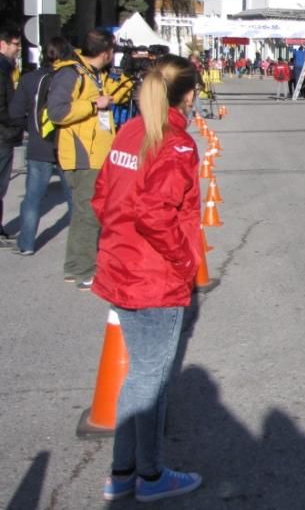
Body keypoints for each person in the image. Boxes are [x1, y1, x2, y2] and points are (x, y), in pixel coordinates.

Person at [91, 55, 202, 503]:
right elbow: (156, 215)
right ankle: (150, 475)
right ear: (189, 94)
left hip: (122, 264)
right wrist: (182, 262)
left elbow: (102, 197)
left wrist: (119, 242)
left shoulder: (130, 131)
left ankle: (123, 471)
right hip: (152, 275)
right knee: (150, 380)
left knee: (139, 375)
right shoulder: (173, 143)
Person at [47, 29, 133, 288]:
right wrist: (95, 105)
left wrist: (131, 77)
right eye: (113, 51)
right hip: (82, 154)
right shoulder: (70, 73)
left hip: (97, 152)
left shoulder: (94, 74)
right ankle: (85, 272)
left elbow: (115, 95)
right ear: (105, 52)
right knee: (89, 214)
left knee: (85, 213)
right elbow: (58, 112)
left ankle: (74, 266)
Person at [8, 37, 74, 255]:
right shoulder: (72, 78)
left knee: (32, 198)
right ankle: (80, 248)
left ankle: (26, 244)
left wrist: (30, 128)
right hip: (67, 143)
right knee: (74, 198)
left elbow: (16, 113)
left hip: (38, 144)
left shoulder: (29, 79)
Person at [0, 26, 24, 247]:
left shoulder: (7, 67)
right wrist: (17, 122)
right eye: (15, 44)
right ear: (3, 44)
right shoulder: (2, 68)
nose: (18, 48)